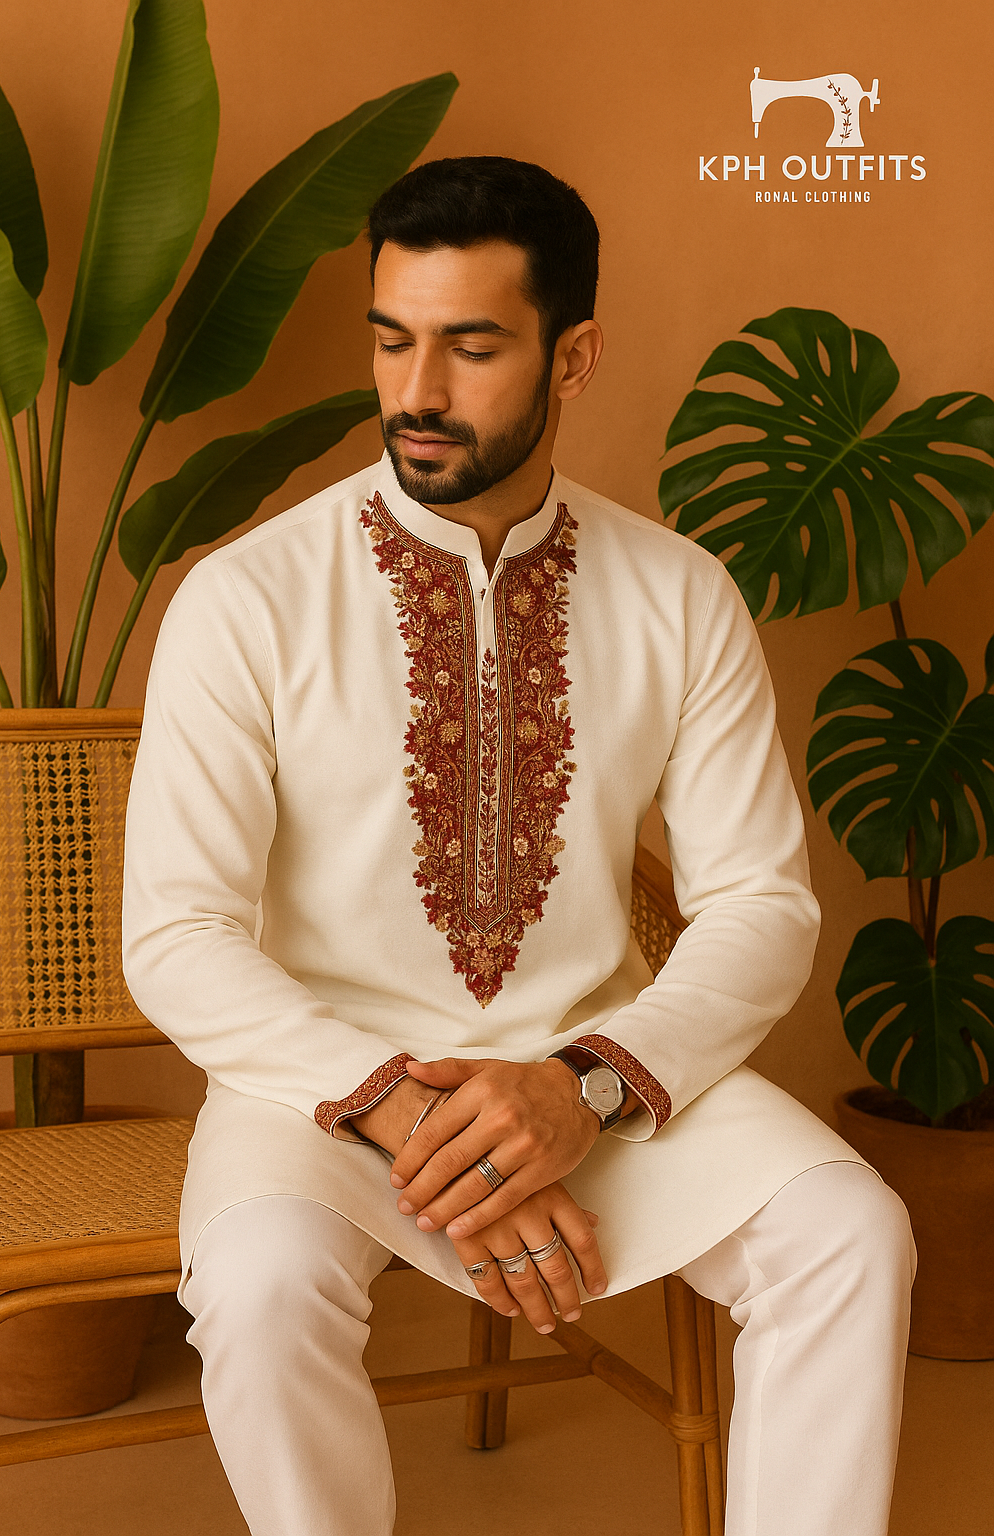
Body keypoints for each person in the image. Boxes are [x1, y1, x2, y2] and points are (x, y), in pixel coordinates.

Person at [122, 157, 915, 1536]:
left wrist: (580, 1090)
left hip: (598, 1074)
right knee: (258, 1281)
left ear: (576, 352)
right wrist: (406, 1109)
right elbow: (178, 935)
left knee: (850, 1235)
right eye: (391, 337)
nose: (416, 390)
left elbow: (759, 904)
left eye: (471, 344)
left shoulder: (679, 594)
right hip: (320, 1087)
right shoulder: (243, 600)